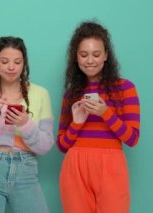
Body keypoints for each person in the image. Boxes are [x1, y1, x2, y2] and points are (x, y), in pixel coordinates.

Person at [56, 21, 140, 213]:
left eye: (96, 54)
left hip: (111, 167)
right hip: (75, 166)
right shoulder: (71, 94)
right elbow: (61, 145)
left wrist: (105, 113)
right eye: (83, 54)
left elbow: (132, 138)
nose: (90, 60)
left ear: (106, 56)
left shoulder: (126, 88)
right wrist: (76, 123)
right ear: (76, 58)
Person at [0, 36, 53, 213]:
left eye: (17, 62)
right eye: (4, 61)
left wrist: (25, 123)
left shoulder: (40, 94)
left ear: (24, 63)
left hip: (26, 170)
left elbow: (45, 146)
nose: (11, 67)